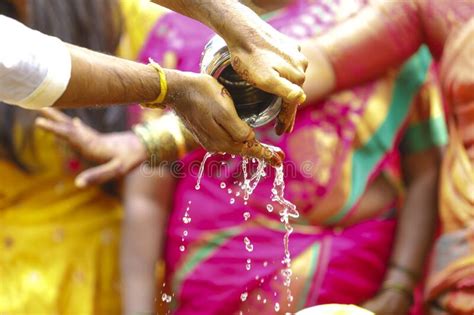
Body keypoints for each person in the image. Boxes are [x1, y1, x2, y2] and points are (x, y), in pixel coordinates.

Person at [37, 0, 448, 314]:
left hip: (354, 280)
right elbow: (147, 198)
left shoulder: (377, 24)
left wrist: (399, 284)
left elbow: (425, 170)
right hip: (211, 280)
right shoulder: (179, 35)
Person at [0, 0, 309, 162]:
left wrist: (231, 20)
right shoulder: (168, 33)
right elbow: (19, 61)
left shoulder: (143, 21)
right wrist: (173, 92)